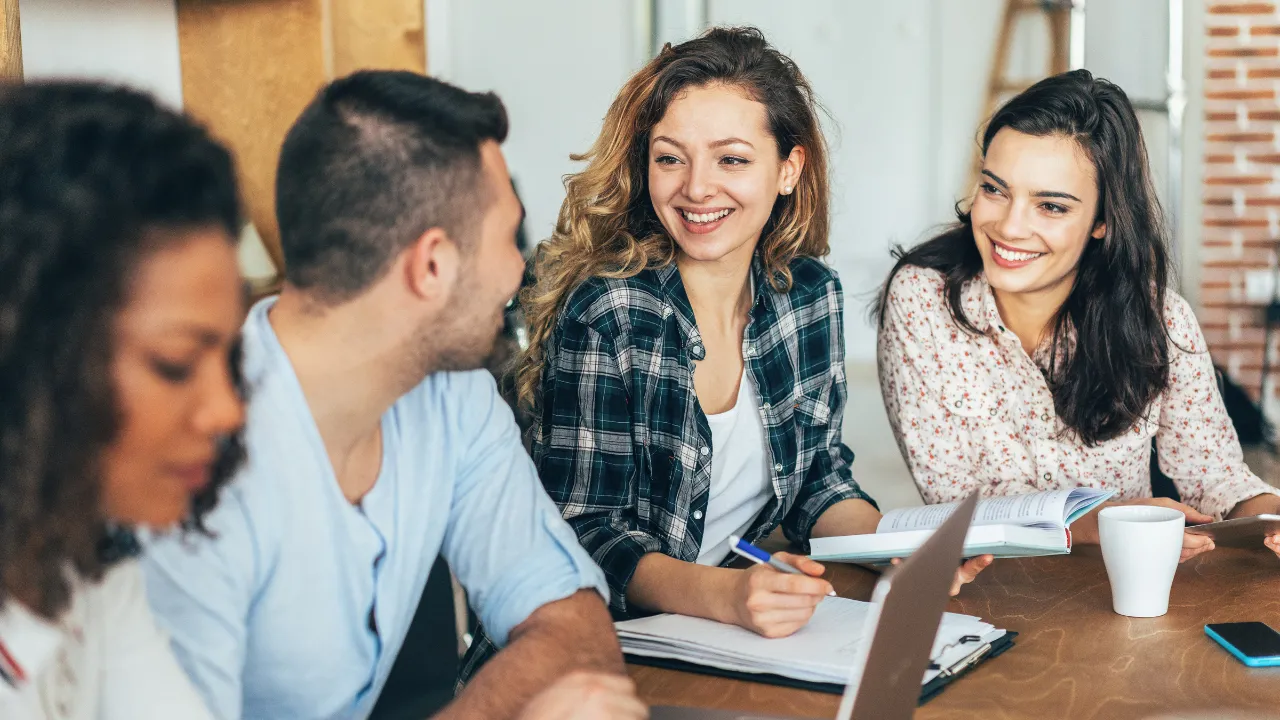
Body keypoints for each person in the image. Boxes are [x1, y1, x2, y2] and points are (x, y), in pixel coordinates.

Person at [457, 28, 992, 683]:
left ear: (788, 169)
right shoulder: (610, 312)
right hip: (602, 647)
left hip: (732, 638)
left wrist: (898, 550)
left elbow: (818, 481)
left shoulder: (808, 296)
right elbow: (584, 534)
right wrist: (728, 597)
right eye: (670, 158)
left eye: (732, 160)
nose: (696, 189)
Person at [140, 71, 646, 720]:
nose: (520, 271)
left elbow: (575, 629)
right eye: (507, 238)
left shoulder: (453, 392)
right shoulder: (191, 466)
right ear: (431, 265)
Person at [876, 69, 1280, 563]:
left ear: (1103, 221)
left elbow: (1215, 476)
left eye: (1050, 206)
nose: (1009, 226)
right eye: (995, 189)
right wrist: (1086, 522)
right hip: (986, 586)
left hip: (1122, 583)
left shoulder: (1162, 321)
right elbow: (949, 500)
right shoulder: (922, 299)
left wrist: (1266, 515)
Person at [0, 81, 246, 719]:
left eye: (229, 359)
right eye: (175, 364)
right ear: (32, 350)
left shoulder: (82, 564)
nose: (228, 411)